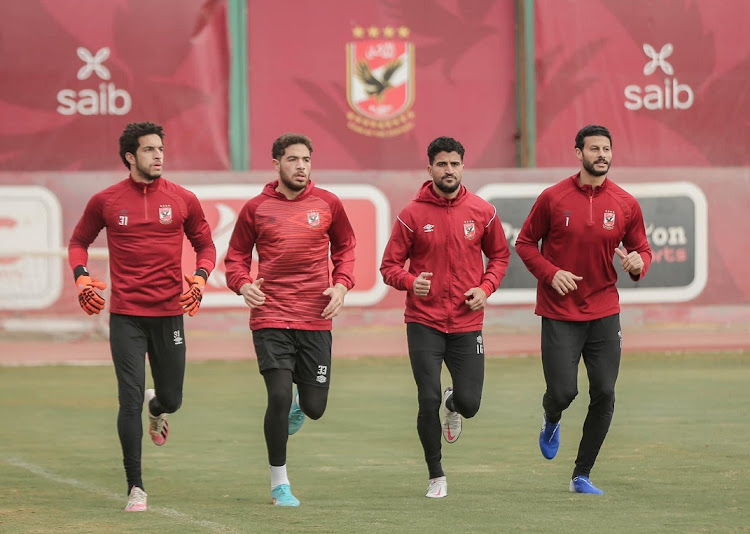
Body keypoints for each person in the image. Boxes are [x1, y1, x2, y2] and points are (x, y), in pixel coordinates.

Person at [68, 121, 216, 512]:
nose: (159, 156)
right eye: (150, 150)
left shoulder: (183, 198)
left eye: (161, 150)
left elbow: (205, 244)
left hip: (170, 314)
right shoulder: (106, 201)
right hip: (126, 316)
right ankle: (136, 487)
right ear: (130, 157)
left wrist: (200, 279)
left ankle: (158, 409)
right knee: (127, 399)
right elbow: (78, 241)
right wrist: (81, 277)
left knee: (172, 398)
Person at [515, 124, 652, 495]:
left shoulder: (625, 203)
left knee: (605, 392)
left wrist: (639, 264)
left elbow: (642, 249)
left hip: (605, 312)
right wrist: (550, 272)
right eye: (594, 149)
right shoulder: (552, 198)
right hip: (560, 313)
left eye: (606, 148)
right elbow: (525, 243)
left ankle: (581, 475)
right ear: (579, 153)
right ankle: (551, 417)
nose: (602, 155)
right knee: (563, 392)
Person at [224, 133, 356, 507]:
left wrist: (342, 285)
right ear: (276, 163)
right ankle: (279, 483)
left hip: (315, 318)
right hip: (271, 315)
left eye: (306, 160)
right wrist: (243, 284)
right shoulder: (256, 208)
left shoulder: (329, 204)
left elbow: (346, 247)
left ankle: (303, 402)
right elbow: (235, 257)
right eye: (293, 159)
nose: (301, 166)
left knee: (313, 408)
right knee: (278, 396)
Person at [380, 136, 511, 498]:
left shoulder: (483, 212)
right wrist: (410, 281)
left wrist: (485, 288)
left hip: (468, 324)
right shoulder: (411, 215)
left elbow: (500, 257)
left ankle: (455, 402)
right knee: (427, 398)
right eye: (442, 164)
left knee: (470, 404)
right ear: (430, 169)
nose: (448, 170)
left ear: (462, 167)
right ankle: (436, 474)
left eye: (454, 164)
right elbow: (388, 266)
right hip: (424, 322)